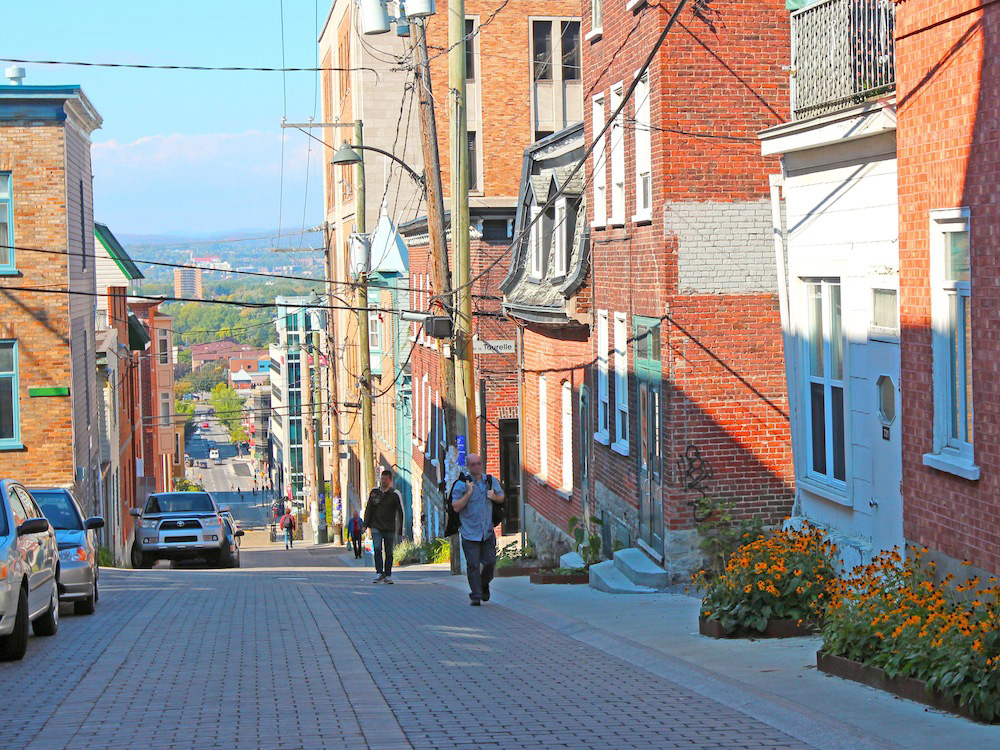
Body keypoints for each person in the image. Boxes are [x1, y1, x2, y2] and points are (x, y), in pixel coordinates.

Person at [451, 454, 504, 606]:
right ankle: (476, 595)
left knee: (490, 563)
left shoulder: (490, 481)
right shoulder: (462, 484)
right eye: (473, 464)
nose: (476, 467)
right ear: (468, 466)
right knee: (473, 564)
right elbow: (456, 507)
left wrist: (494, 497)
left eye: (479, 464)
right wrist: (468, 493)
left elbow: (501, 497)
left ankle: (483, 583)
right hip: (469, 532)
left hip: (487, 531)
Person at [363, 468, 403, 584]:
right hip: (376, 526)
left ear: (390, 480)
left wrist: (401, 529)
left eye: (386, 479)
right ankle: (379, 572)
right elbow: (369, 508)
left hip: (390, 526)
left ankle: (388, 574)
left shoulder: (395, 494)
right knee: (377, 549)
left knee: (389, 551)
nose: (384, 481)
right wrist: (366, 524)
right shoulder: (374, 493)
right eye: (382, 479)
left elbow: (401, 511)